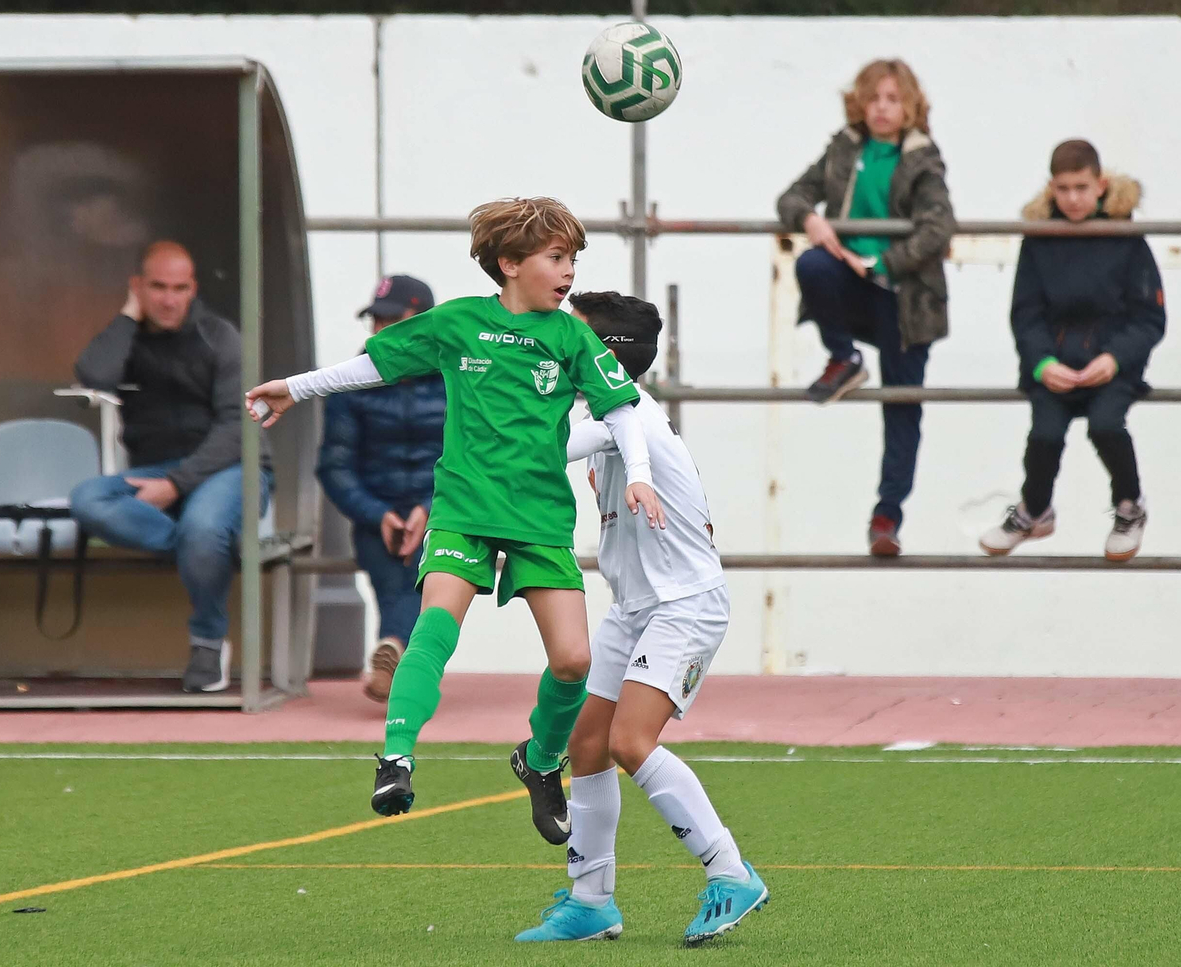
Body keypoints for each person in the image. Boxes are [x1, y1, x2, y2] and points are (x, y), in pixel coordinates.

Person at [247, 197, 664, 840]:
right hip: (464, 510)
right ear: (510, 264)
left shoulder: (572, 335)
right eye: (556, 257)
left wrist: (638, 475)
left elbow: (622, 407)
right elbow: (375, 364)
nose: (568, 271)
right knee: (434, 630)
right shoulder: (459, 324)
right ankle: (396, 757)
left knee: (574, 662)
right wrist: (295, 387)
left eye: (572, 259)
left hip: (539, 520)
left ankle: (540, 760)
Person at [515, 292, 767, 945]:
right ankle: (591, 900)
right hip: (635, 608)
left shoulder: (626, 414)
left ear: (606, 355)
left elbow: (542, 444)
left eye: (573, 337)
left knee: (629, 741)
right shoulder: (604, 410)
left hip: (685, 603)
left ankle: (731, 870)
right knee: (587, 744)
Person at [69, 241, 274, 693]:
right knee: (87, 498)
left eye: (179, 288)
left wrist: (176, 485)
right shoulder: (129, 336)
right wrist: (127, 314)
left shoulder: (218, 336)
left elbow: (237, 428)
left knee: (204, 527)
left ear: (192, 289)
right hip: (157, 471)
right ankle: (197, 548)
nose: (168, 298)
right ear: (138, 287)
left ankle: (207, 641)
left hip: (231, 468)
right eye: (157, 287)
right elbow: (94, 376)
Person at [776, 59, 955, 557]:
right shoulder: (844, 147)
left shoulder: (922, 158)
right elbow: (791, 196)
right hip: (852, 282)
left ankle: (886, 518)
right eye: (874, 97)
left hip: (904, 300)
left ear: (910, 107)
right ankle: (845, 357)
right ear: (860, 102)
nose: (882, 108)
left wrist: (885, 263)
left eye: (893, 99)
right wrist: (811, 219)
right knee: (813, 265)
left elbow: (938, 228)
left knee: (902, 407)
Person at [980, 140, 1164, 561]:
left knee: (1106, 425)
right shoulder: (1039, 238)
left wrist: (1115, 359)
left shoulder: (1126, 237)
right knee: (1044, 434)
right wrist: (1043, 364)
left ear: (1100, 185)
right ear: (1051, 189)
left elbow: (1149, 318)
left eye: (1081, 187)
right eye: (1063, 189)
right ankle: (1035, 510)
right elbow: (1025, 314)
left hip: (1112, 366)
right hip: (1055, 365)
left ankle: (1130, 507)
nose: (1073, 198)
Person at [316, 275, 446, 703]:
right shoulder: (350, 381)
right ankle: (398, 654)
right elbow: (334, 467)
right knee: (402, 573)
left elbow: (475, 458)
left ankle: (393, 648)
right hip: (378, 515)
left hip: (449, 511)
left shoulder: (461, 377)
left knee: (422, 569)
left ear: (424, 322)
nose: (381, 330)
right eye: (377, 319)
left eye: (393, 319)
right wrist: (379, 514)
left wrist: (428, 509)